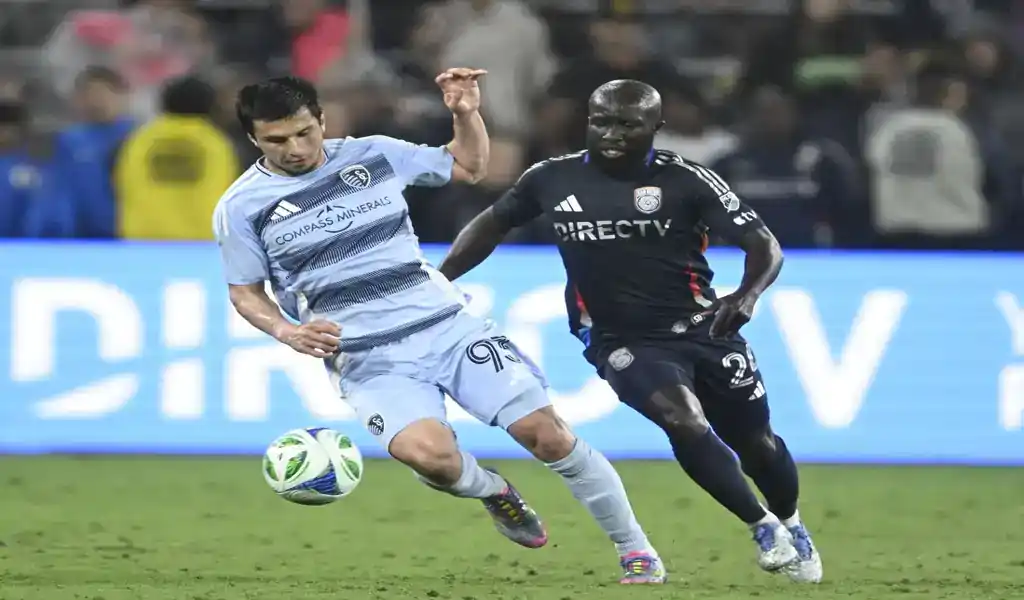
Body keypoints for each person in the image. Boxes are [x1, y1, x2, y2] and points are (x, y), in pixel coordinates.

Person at [212, 74, 666, 584]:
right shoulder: (241, 206)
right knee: (433, 460)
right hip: (367, 358)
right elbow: (245, 292)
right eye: (276, 140)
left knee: (547, 436)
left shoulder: (373, 154)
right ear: (253, 139)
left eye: (304, 132)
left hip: (448, 327)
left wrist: (465, 114)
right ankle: (494, 492)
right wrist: (286, 330)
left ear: (321, 119)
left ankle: (635, 548)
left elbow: (469, 165)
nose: (295, 149)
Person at [438, 79, 823, 584]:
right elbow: (491, 224)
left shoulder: (687, 180)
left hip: (705, 329)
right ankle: (762, 526)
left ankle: (791, 522)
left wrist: (746, 296)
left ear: (655, 127)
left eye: (627, 124)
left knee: (757, 444)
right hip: (620, 338)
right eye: (601, 122)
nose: (612, 133)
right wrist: (439, 280)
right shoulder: (550, 178)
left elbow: (763, 244)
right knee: (682, 420)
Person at [116, 75, 239, 240]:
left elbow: (122, 182)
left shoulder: (141, 139)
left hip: (144, 237)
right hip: (201, 238)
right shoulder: (214, 141)